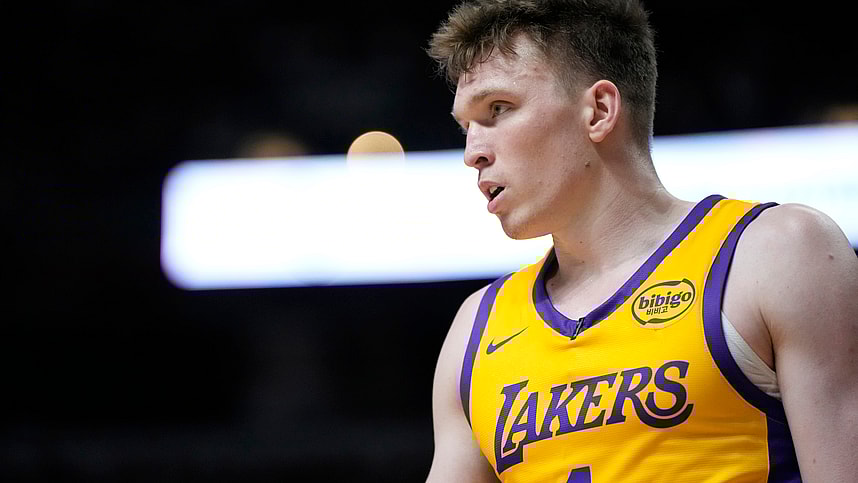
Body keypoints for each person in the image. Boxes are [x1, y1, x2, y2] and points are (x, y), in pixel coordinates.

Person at [423, 1, 858, 481]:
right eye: (466, 127)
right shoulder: (475, 330)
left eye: (498, 109)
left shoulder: (776, 253)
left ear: (599, 111)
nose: (472, 153)